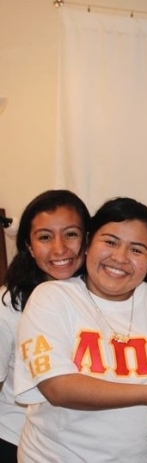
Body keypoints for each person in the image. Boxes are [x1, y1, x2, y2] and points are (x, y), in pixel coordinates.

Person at [14, 197, 147, 462]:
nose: (120, 257)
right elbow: (57, 387)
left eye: (137, 250)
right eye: (111, 242)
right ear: (88, 244)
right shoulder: (52, 297)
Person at [0, 190, 90, 463]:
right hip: (16, 441)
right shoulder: (8, 305)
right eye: (45, 237)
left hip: (85, 446)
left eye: (70, 234)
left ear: (87, 239)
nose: (59, 249)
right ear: (28, 246)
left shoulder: (105, 297)